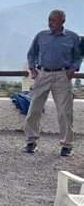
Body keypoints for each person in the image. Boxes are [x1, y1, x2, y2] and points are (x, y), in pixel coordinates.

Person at [23, 9, 83, 156]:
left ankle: (67, 145)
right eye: (49, 20)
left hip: (62, 76)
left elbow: (79, 55)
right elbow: (31, 53)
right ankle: (31, 141)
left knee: (64, 112)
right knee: (34, 109)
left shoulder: (73, 37)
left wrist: (73, 69)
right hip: (42, 75)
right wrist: (33, 70)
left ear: (63, 21)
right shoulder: (41, 36)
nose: (50, 23)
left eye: (54, 20)